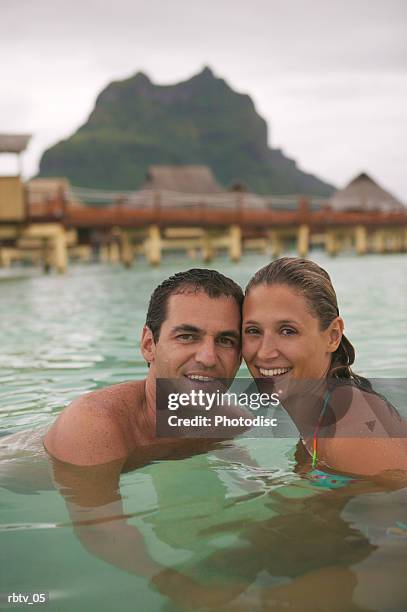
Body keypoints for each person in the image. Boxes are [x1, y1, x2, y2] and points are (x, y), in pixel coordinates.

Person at [44, 268, 243, 467]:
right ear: (149, 345)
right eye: (186, 337)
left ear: (240, 356)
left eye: (225, 340)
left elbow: (252, 482)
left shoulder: (229, 420)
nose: (208, 358)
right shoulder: (92, 425)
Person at [242, 257, 407, 477]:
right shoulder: (325, 414)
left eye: (287, 331)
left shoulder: (350, 434)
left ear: (333, 336)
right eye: (253, 331)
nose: (264, 352)